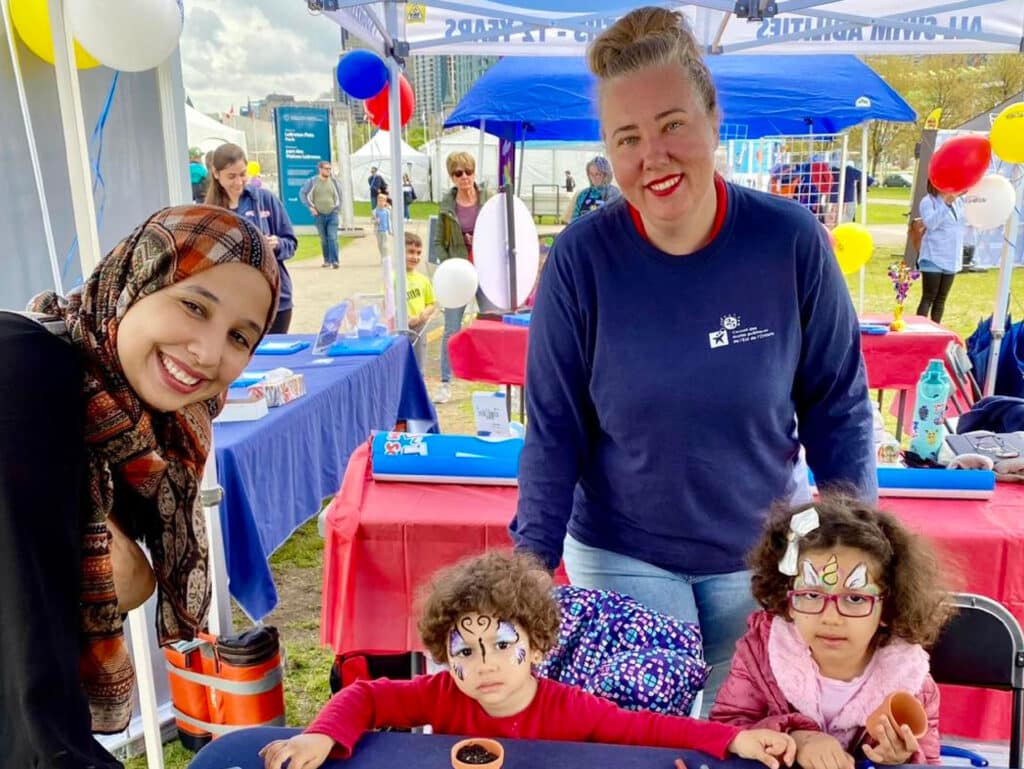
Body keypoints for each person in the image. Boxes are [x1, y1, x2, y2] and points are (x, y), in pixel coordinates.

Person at [510, 7, 876, 713]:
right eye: (628, 137)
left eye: (673, 123)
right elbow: (553, 431)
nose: (654, 156)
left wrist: (851, 539)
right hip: (623, 551)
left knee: (758, 732)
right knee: (652, 737)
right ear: (608, 152)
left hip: (764, 552)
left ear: (712, 119)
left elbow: (838, 404)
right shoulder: (580, 261)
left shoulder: (790, 241)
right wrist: (525, 572)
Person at [0, 204, 280, 769]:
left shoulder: (134, 424)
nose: (207, 352)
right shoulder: (26, 373)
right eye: (193, 305)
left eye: (239, 337)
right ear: (136, 279)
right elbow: (30, 673)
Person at [255, 551, 796, 769]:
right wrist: (319, 734)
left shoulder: (571, 708)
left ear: (536, 648)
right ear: (444, 655)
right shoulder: (438, 693)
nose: (483, 665)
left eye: (501, 646)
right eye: (464, 652)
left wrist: (732, 738)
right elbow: (366, 695)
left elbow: (650, 729)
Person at [710, 494, 951, 768]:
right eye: (812, 594)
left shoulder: (913, 682)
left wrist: (903, 758)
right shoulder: (759, 654)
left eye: (856, 599)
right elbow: (727, 729)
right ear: (786, 599)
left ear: (888, 607)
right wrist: (796, 737)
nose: (831, 617)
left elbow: (928, 761)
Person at [206, 143, 296, 333]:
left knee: (274, 357)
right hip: (233, 303)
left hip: (276, 300)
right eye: (231, 176)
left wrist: (277, 244)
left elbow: (291, 243)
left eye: (243, 174)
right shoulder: (209, 212)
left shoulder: (266, 199)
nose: (239, 182)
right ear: (216, 173)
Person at [433, 151, 490, 404]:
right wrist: (450, 267)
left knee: (491, 323)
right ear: (452, 177)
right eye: (458, 173)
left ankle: (492, 377)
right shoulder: (446, 206)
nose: (464, 177)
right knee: (451, 328)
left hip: (487, 269)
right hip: (459, 272)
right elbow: (437, 242)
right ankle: (446, 382)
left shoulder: (488, 198)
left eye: (468, 171)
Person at [915, 180, 964, 323]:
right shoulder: (928, 201)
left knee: (941, 299)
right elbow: (931, 223)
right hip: (933, 255)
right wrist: (946, 204)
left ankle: (936, 328)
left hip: (951, 256)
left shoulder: (958, 201)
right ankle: (920, 327)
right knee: (928, 296)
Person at [300, 160, 343, 270]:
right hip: (319, 215)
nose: (328, 171)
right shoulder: (312, 182)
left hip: (332, 214)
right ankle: (327, 260)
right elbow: (303, 194)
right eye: (326, 168)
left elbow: (339, 196)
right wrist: (311, 207)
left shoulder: (334, 182)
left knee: (332, 237)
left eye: (330, 169)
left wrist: (337, 209)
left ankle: (335, 261)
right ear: (320, 169)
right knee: (324, 239)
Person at [403, 232, 436, 371]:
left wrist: (424, 314)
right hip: (401, 328)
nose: (415, 257)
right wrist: (408, 319)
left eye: (418, 253)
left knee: (418, 367)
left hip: (419, 329)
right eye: (410, 252)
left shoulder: (423, 280)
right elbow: (388, 305)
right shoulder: (394, 277)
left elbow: (431, 303)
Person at [570, 156, 621, 221]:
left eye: (597, 174)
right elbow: (574, 221)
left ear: (605, 175)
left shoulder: (614, 193)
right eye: (591, 174)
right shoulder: (583, 194)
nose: (594, 178)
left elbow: (616, 219)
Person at [373, 192, 392, 263]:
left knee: (385, 245)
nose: (380, 202)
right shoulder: (375, 211)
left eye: (382, 201)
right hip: (378, 231)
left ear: (385, 202)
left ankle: (385, 258)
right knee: (380, 245)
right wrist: (375, 221)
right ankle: (382, 256)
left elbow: (389, 221)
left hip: (385, 230)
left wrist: (390, 230)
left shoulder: (387, 211)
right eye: (379, 201)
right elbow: (372, 220)